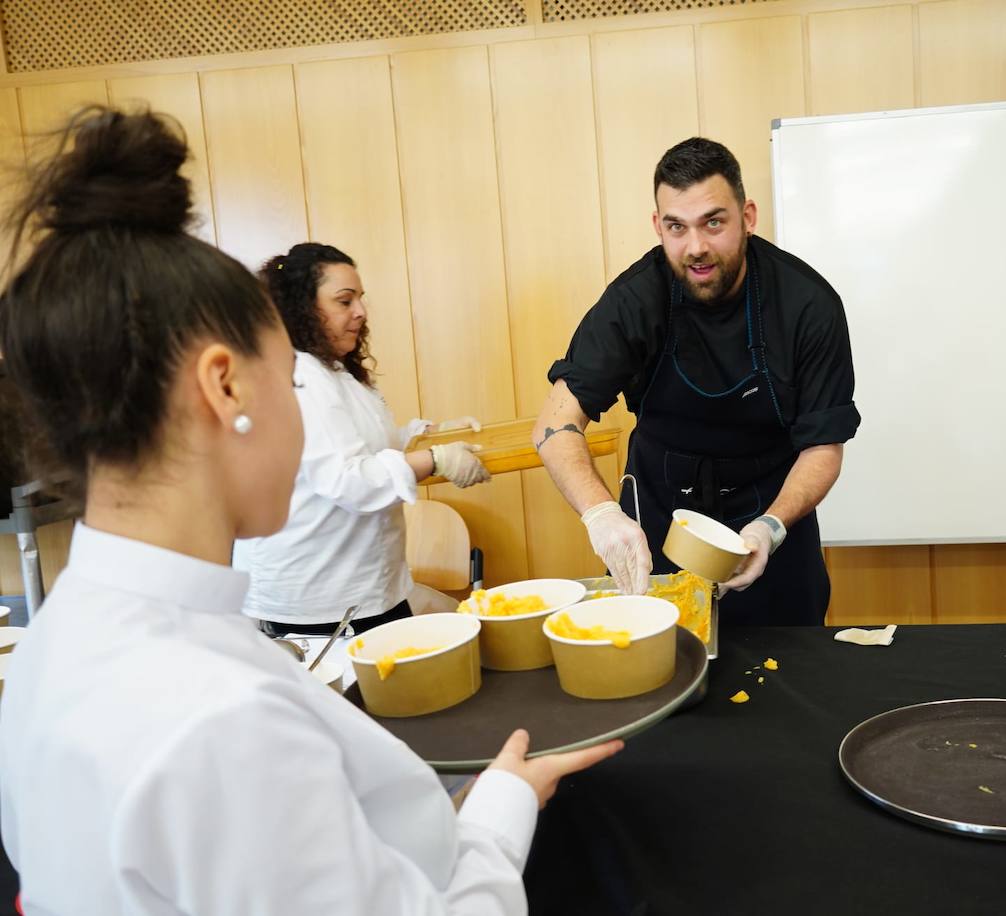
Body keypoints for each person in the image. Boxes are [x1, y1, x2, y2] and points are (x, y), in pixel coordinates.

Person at [0, 106, 621, 915]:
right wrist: (499, 814)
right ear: (226, 386)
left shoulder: (53, 645)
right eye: (282, 381)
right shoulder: (221, 721)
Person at [535, 138, 860, 625]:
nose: (696, 247)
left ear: (747, 216)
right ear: (657, 226)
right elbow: (554, 424)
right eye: (676, 227)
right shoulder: (633, 302)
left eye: (714, 222)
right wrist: (601, 515)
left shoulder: (807, 305)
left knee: (792, 673)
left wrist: (770, 528)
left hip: (769, 513)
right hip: (660, 522)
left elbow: (823, 447)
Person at [233, 242, 489, 637]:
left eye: (360, 299)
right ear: (301, 307)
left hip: (362, 585)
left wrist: (426, 438)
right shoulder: (299, 376)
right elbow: (349, 479)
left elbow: (367, 447)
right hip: (315, 595)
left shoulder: (332, 371)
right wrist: (435, 460)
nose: (361, 313)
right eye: (344, 301)